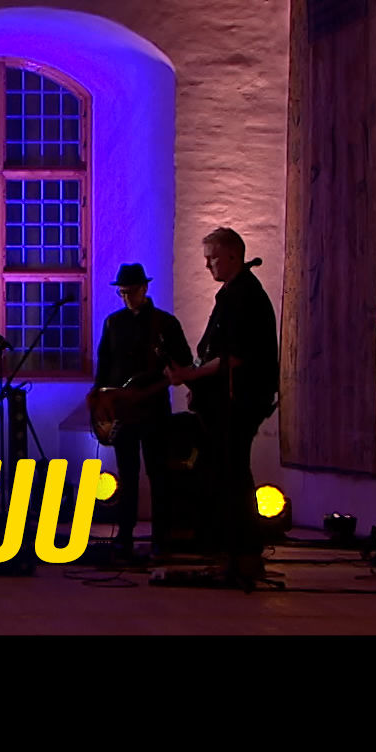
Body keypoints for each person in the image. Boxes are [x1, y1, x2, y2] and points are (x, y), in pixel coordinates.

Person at [167, 228, 280, 583]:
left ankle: (244, 555)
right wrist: (199, 385)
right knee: (226, 474)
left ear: (232, 256)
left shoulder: (245, 295)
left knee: (234, 476)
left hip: (240, 401)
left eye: (212, 258)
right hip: (228, 400)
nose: (207, 265)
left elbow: (236, 356)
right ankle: (233, 552)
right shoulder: (233, 293)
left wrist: (192, 374)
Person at [93, 263, 194, 558]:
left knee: (158, 473)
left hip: (153, 407)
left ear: (144, 289)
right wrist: (101, 403)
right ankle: (125, 535)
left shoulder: (165, 324)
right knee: (127, 474)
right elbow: (104, 366)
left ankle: (161, 537)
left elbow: (183, 360)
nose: (126, 298)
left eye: (130, 292)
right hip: (123, 409)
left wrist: (172, 372)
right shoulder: (113, 323)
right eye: (122, 293)